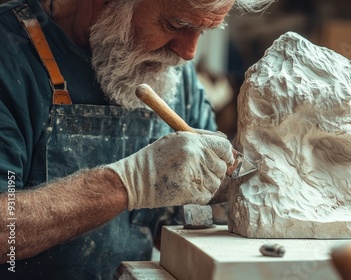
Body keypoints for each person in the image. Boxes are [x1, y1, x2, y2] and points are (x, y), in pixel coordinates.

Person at [0, 0, 273, 278]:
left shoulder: (171, 69)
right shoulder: (9, 57)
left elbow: (182, 222)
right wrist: (127, 183)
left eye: (204, 31)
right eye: (175, 25)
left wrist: (216, 202)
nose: (188, 53)